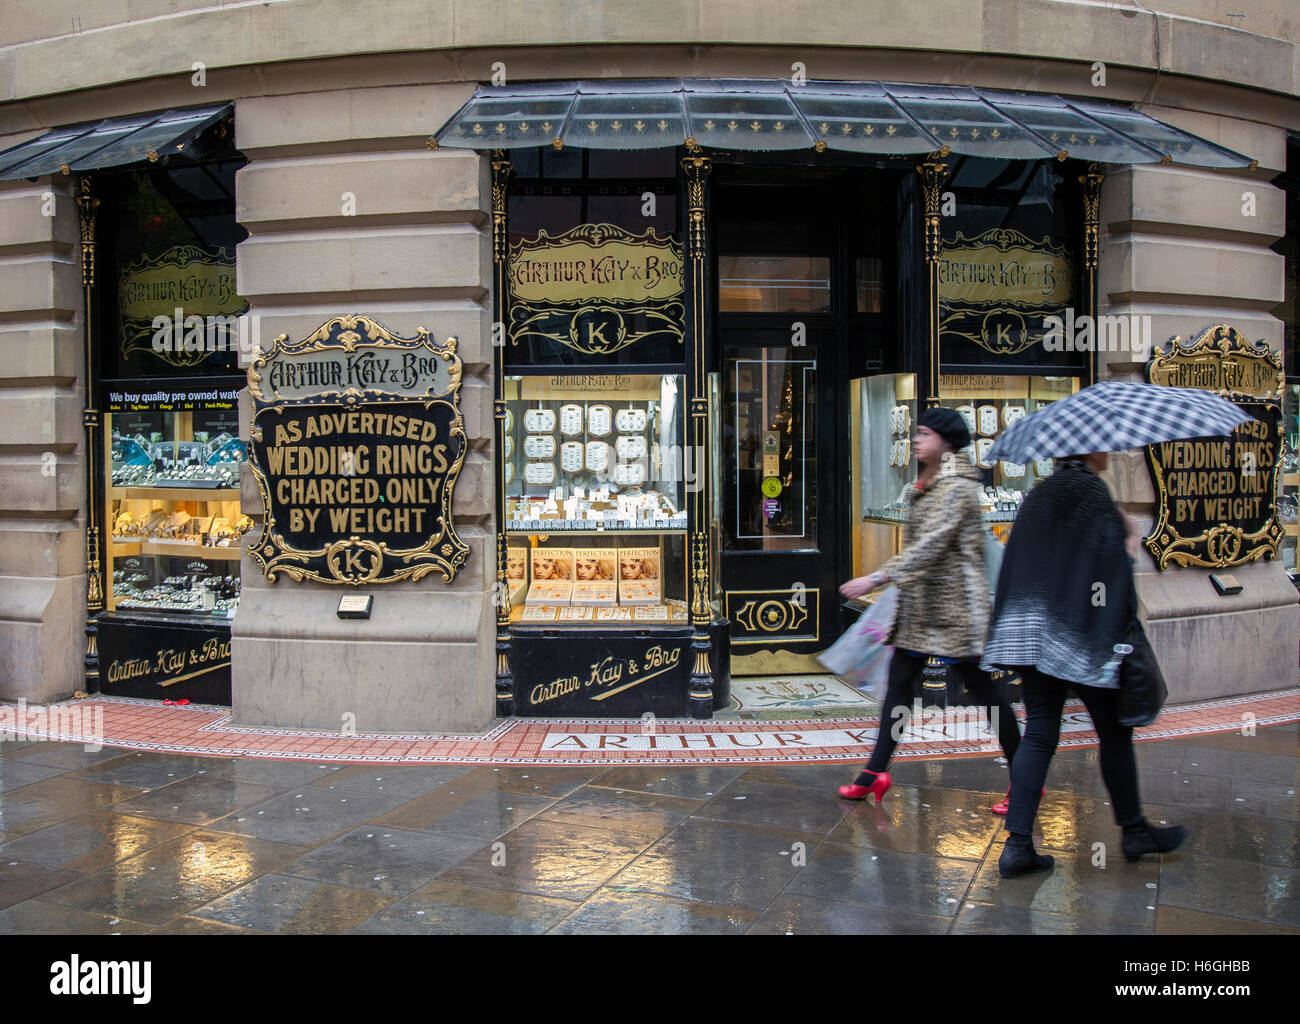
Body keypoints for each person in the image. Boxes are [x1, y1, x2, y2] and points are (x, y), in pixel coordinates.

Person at [982, 451, 1187, 879]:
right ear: (1090, 451)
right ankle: (1133, 830)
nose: (1109, 454)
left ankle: (1018, 844)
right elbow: (1109, 575)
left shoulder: (1038, 495)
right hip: (1079, 635)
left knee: (1039, 734)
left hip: (1029, 632)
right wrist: (1129, 544)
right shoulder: (1092, 493)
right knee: (1114, 732)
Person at [837, 408, 1023, 808]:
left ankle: (1025, 777)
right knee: (899, 689)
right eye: (916, 433)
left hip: (955, 611)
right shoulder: (928, 482)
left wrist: (876, 578)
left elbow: (932, 545)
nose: (917, 439)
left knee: (985, 693)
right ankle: (874, 772)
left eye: (924, 433)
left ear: (946, 441)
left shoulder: (956, 485)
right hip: (922, 611)